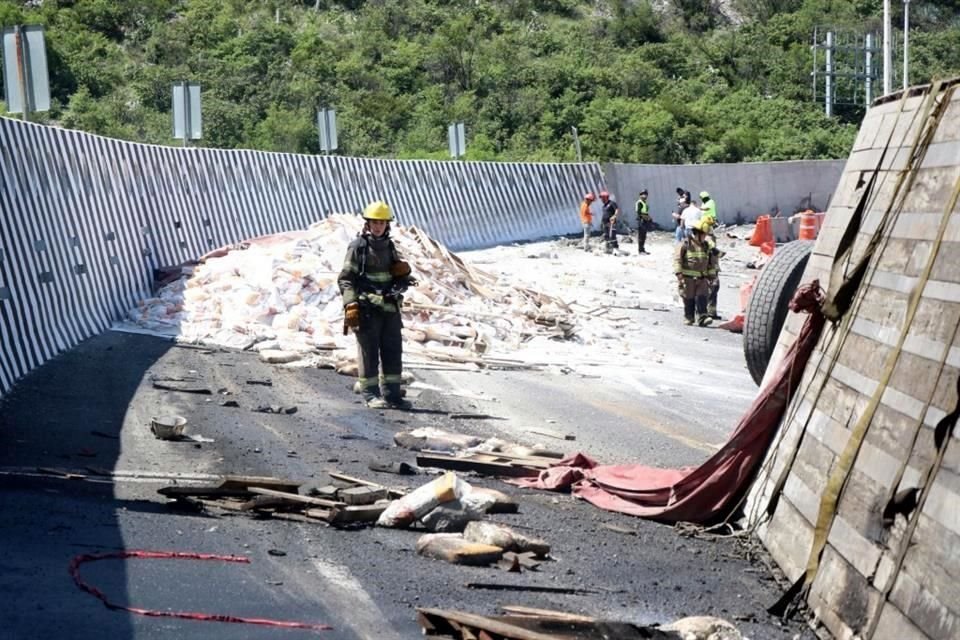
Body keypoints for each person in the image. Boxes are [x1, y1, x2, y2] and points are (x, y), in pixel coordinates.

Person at [339, 201, 416, 410]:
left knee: (393, 351)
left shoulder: (390, 247)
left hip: (390, 309)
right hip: (367, 310)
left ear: (387, 225)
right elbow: (346, 279)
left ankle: (392, 395)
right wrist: (351, 304)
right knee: (369, 353)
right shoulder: (358, 247)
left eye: (382, 223)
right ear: (368, 223)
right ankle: (371, 395)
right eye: (374, 222)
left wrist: (403, 278)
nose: (378, 226)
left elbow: (394, 274)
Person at [673, 219, 712, 327]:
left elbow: (710, 261)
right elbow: (677, 259)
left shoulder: (706, 246)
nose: (705, 237)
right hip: (688, 279)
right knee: (688, 298)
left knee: (702, 297)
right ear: (698, 233)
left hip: (702, 278)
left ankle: (703, 317)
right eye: (704, 235)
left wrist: (711, 275)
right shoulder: (685, 244)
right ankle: (689, 317)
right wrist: (678, 273)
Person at [705, 234, 725, 320]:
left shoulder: (706, 239)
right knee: (712, 290)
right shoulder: (709, 240)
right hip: (711, 271)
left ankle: (711, 312)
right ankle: (706, 312)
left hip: (712, 270)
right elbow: (716, 253)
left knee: (713, 290)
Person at [635, 189, 651, 254]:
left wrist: (649, 218)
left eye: (645, 194)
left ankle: (643, 249)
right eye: (643, 194)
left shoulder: (644, 202)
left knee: (644, 236)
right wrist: (646, 218)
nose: (644, 196)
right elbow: (639, 213)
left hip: (645, 220)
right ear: (640, 195)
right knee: (641, 236)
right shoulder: (639, 202)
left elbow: (645, 212)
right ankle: (640, 250)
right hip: (641, 220)